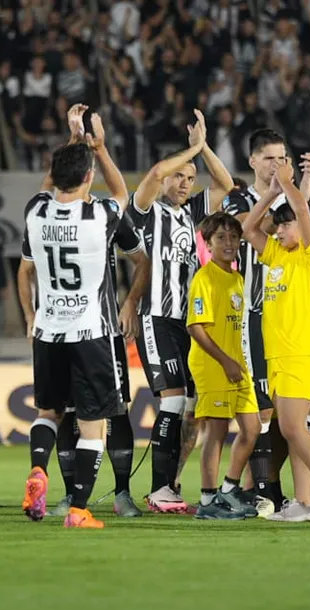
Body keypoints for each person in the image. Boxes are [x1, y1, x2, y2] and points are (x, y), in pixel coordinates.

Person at [19, 105, 149, 524]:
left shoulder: (35, 212)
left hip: (48, 329)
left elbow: (47, 186)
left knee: (48, 414)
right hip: (90, 332)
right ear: (88, 177)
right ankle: (78, 509)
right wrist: (98, 145)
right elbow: (122, 194)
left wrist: (73, 141)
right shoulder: (100, 216)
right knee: (94, 425)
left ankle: (38, 468)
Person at [131, 109, 233, 513]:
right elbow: (155, 173)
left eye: (191, 179)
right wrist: (189, 148)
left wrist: (204, 147)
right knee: (173, 403)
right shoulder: (147, 210)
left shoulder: (193, 214)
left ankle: (170, 483)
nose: (185, 185)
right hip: (157, 318)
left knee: (192, 409)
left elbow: (225, 183)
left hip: (188, 323)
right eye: (181, 178)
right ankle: (158, 490)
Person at [243, 160, 310, 523]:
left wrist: (289, 185)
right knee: (294, 430)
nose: (280, 230)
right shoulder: (276, 254)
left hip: (300, 352)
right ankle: (303, 501)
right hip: (278, 355)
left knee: (290, 427)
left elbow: (304, 209)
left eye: (286, 224)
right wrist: (272, 193)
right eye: (280, 223)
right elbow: (247, 227)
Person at [221, 128, 289, 509]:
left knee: (290, 407)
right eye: (268, 158)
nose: (276, 165)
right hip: (254, 312)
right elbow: (255, 230)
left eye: (281, 158)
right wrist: (278, 195)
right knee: (262, 406)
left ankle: (267, 486)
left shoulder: (291, 198)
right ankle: (259, 489)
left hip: (290, 314)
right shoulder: (237, 198)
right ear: (252, 161)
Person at [187, 212, 261, 520]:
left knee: (252, 427)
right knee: (216, 430)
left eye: (233, 237)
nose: (229, 243)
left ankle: (229, 489)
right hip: (213, 363)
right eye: (221, 238)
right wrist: (225, 360)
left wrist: (238, 361)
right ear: (208, 243)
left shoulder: (237, 278)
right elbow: (196, 327)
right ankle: (207, 501)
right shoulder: (204, 278)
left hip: (237, 364)